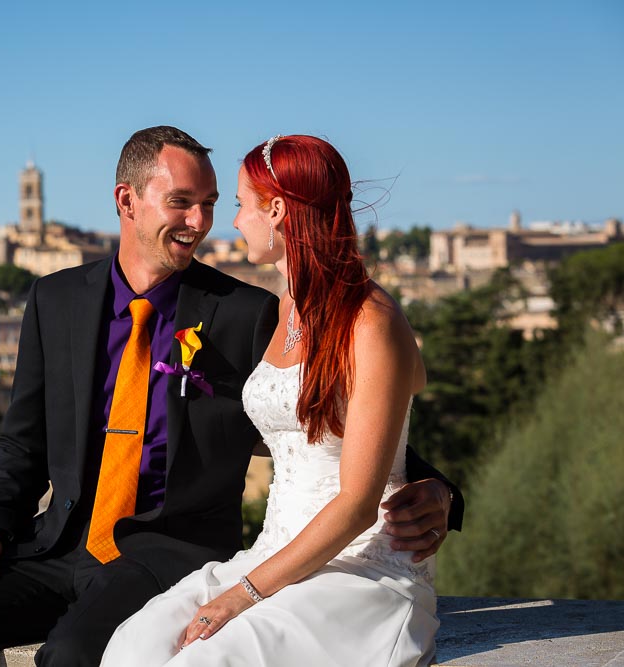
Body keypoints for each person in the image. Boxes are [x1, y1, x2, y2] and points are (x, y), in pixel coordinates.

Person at [0, 127, 461, 667]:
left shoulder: (246, 313)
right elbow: (20, 447)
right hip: (56, 548)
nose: (203, 221)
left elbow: (329, 422)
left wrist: (439, 491)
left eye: (212, 202)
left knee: (74, 656)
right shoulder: (54, 302)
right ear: (126, 201)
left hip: (167, 554)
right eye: (182, 201)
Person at [101, 135, 443, 666]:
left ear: (277, 211)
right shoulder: (283, 308)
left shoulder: (371, 320)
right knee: (130, 648)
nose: (231, 222)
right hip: (271, 553)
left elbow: (357, 502)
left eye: (238, 204)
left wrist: (243, 595)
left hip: (356, 570)